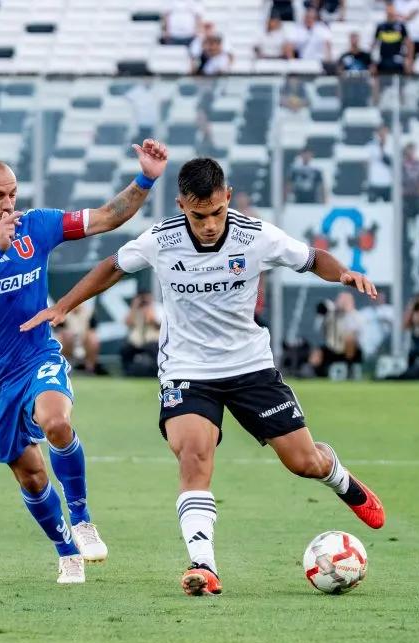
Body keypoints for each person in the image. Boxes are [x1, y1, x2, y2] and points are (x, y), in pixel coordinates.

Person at [22, 157, 385, 597]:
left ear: (227, 198)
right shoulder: (162, 239)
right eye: (199, 216)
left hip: (250, 366)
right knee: (194, 455)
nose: (210, 224)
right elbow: (113, 267)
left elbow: (312, 259)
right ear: (181, 206)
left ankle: (341, 479)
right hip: (187, 370)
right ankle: (203, 566)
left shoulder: (257, 236)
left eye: (216, 212)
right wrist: (64, 305)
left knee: (304, 462)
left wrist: (342, 273)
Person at [0, 139, 170, 584]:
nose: (8, 204)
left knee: (56, 422)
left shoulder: (37, 225)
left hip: (36, 356)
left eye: (12, 193)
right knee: (31, 476)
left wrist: (146, 178)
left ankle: (82, 518)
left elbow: (107, 216)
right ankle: (66, 551)